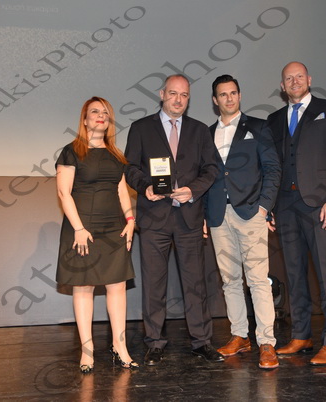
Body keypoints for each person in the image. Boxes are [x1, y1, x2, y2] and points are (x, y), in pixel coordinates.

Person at [124, 74, 223, 365]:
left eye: (184, 95)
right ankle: (154, 342)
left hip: (189, 217)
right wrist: (146, 186)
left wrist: (193, 190)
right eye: (173, 93)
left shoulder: (200, 130)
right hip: (154, 217)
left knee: (196, 284)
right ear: (162, 94)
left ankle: (202, 342)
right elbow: (129, 168)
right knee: (154, 284)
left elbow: (211, 168)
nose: (178, 100)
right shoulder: (141, 128)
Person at [267, 61, 326, 365]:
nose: (294, 81)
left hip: (319, 205)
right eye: (288, 78)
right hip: (285, 206)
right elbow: (272, 166)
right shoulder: (274, 119)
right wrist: (270, 206)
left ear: (309, 79)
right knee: (294, 273)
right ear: (282, 86)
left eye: (299, 76)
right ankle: (301, 335)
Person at [55, 96, 138, 373]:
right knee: (84, 287)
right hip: (83, 228)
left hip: (114, 227)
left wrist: (130, 220)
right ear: (85, 119)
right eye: (94, 111)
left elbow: (121, 189)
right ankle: (87, 351)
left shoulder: (116, 154)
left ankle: (120, 347)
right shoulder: (71, 151)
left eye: (105, 112)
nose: (100, 116)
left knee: (117, 287)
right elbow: (64, 193)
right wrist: (79, 229)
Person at [204, 74, 282, 369]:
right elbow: (204, 176)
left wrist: (264, 207)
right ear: (215, 100)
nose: (229, 98)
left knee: (258, 280)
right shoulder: (206, 134)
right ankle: (240, 336)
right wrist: (204, 214)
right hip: (218, 215)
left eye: (233, 93)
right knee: (230, 281)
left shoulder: (258, 127)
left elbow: (272, 169)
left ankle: (266, 342)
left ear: (239, 95)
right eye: (223, 94)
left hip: (251, 214)